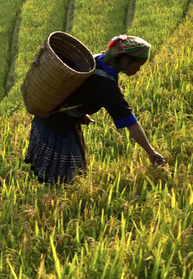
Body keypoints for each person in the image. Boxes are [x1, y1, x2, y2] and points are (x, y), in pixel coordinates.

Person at [24, 34, 166, 184]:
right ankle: (57, 201)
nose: (138, 70)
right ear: (125, 60)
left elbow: (81, 88)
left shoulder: (99, 59)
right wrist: (151, 152)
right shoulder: (107, 85)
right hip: (59, 126)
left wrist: (81, 112)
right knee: (69, 177)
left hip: (52, 116)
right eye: (138, 65)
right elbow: (131, 122)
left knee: (61, 173)